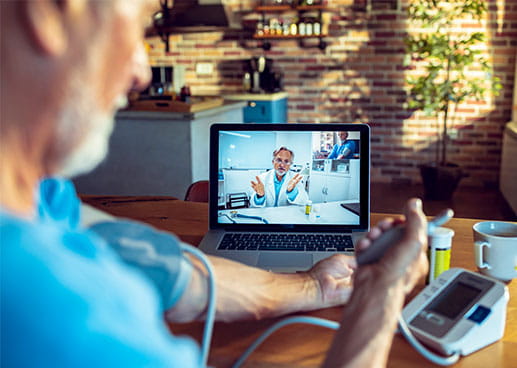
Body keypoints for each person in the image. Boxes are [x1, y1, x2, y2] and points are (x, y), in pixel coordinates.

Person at [0, 1, 429, 367]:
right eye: (139, 24)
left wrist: (315, 285)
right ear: (51, 12)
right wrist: (380, 296)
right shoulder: (61, 314)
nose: (141, 72)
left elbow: (164, 267)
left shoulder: (43, 199)